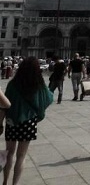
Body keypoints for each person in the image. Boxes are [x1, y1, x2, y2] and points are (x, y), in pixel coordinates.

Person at [2, 56, 53, 185]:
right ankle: (15, 184)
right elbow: (49, 98)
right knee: (21, 156)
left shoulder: (12, 84)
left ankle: (4, 182)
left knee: (9, 153)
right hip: (29, 122)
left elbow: (4, 105)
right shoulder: (38, 85)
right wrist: (37, 109)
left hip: (11, 121)